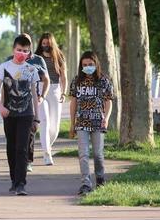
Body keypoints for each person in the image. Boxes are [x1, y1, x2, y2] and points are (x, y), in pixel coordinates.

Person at [0, 34, 41, 196]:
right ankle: (14, 180)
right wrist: (0, 107)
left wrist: (36, 117)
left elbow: (34, 94)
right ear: (13, 49)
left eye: (25, 51)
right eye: (19, 50)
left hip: (26, 115)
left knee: (22, 148)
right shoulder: (3, 67)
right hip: (9, 114)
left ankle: (21, 183)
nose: (21, 53)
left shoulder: (31, 70)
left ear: (29, 53)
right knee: (11, 148)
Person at [69, 51, 114, 196]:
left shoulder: (104, 81)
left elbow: (108, 101)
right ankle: (85, 183)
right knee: (83, 154)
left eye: (90, 64)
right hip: (81, 122)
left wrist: (106, 118)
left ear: (96, 64)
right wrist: (72, 123)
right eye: (84, 65)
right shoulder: (77, 81)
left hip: (98, 123)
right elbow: (73, 102)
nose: (87, 67)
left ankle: (100, 178)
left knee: (98, 154)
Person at [6, 34, 50, 171]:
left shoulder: (38, 60)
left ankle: (27, 161)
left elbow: (46, 79)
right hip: (13, 104)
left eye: (27, 45)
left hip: (31, 102)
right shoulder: (9, 61)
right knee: (14, 139)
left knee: (29, 133)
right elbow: (3, 83)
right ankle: (16, 165)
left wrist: (42, 96)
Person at [35, 32, 68, 166]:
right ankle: (47, 154)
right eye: (43, 44)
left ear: (52, 43)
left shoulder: (59, 56)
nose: (45, 46)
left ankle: (47, 146)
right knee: (45, 121)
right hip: (41, 89)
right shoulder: (36, 57)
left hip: (55, 90)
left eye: (47, 44)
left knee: (55, 127)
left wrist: (64, 92)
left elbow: (64, 76)